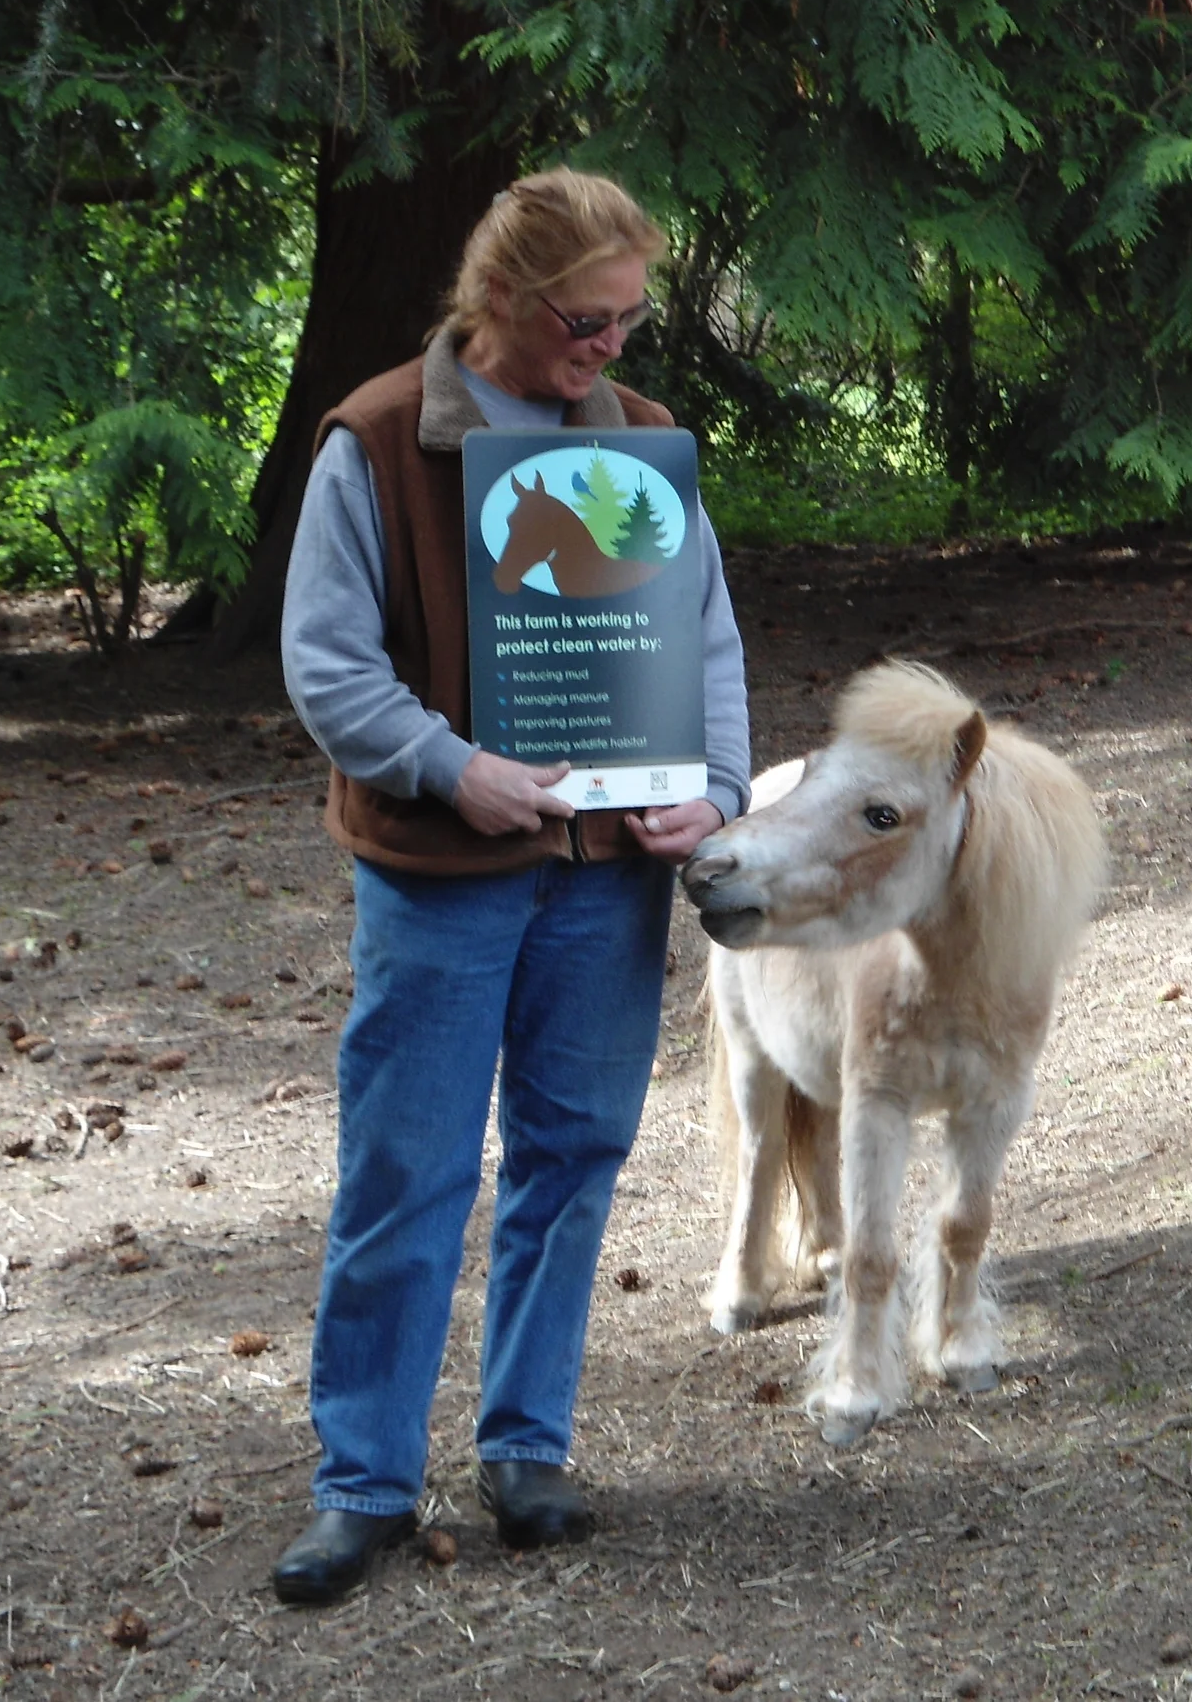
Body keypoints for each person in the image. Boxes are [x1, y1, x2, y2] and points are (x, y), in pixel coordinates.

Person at [271, 168, 749, 1605]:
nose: (612, 348)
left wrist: (716, 792)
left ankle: (527, 1447)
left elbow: (708, 643)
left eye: (628, 322)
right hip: (444, 871)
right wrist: (445, 764)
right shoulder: (374, 438)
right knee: (407, 1168)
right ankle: (362, 1478)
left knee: (571, 1158)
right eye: (588, 321)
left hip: (607, 881)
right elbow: (327, 664)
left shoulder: (645, 444)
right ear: (503, 300)